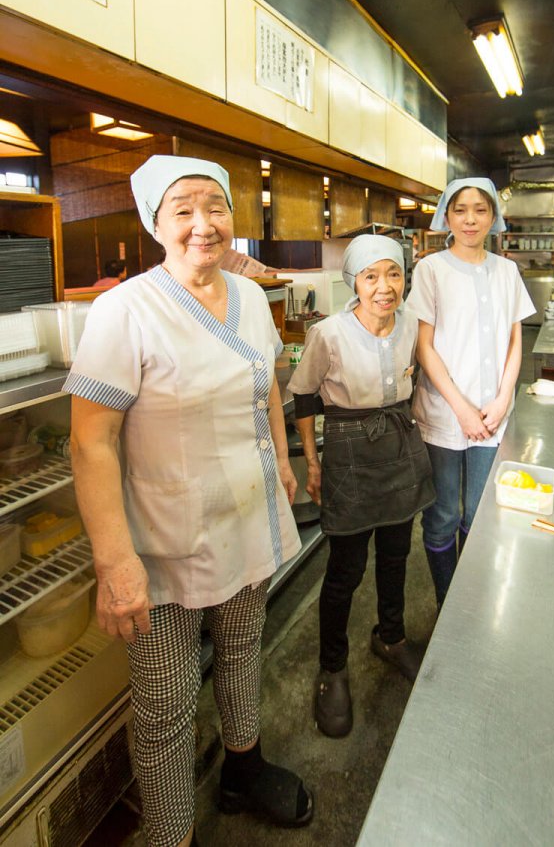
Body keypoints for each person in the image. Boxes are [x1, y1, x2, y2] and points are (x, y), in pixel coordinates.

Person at [65, 155, 313, 847]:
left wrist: (281, 462)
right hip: (163, 539)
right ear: (156, 224)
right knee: (166, 705)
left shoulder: (250, 297)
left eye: (215, 205)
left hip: (247, 515)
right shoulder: (124, 310)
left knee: (242, 650)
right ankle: (172, 835)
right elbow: (90, 442)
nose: (203, 223)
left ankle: (243, 767)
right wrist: (115, 562)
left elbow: (267, 384)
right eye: (183, 209)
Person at [288, 235, 434, 738]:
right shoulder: (328, 333)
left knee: (396, 555)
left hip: (399, 442)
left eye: (393, 274)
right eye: (371, 276)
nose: (384, 287)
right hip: (349, 450)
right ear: (354, 282)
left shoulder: (412, 323)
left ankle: (390, 637)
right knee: (345, 570)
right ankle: (332, 668)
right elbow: (304, 396)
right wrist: (313, 463)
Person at [405, 178, 535, 608]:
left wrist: (503, 398)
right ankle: (448, 603)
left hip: (493, 414)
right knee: (442, 514)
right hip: (445, 413)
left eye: (480, 210)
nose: (470, 219)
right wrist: (461, 408)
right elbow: (424, 346)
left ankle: (472, 605)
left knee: (480, 513)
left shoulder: (507, 271)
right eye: (460, 210)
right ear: (446, 216)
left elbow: (515, 342)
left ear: (493, 216)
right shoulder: (431, 269)